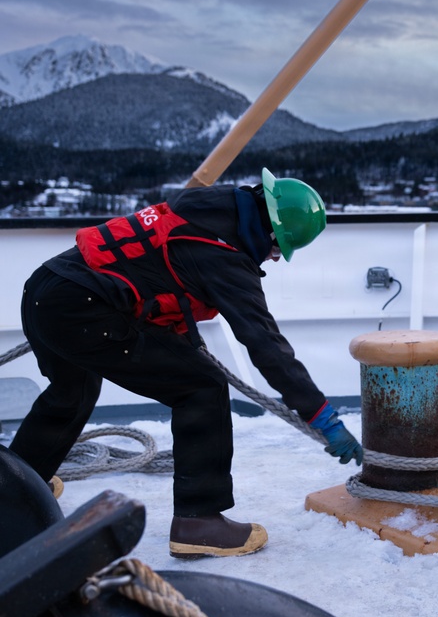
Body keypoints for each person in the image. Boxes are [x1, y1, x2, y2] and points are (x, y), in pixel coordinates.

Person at [10, 168, 362, 559]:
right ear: (270, 231)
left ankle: (17, 485)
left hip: (45, 291)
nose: (273, 258)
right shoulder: (223, 255)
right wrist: (322, 417)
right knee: (202, 387)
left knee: (70, 392)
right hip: (84, 311)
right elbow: (266, 344)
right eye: (277, 249)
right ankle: (199, 521)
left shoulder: (204, 206)